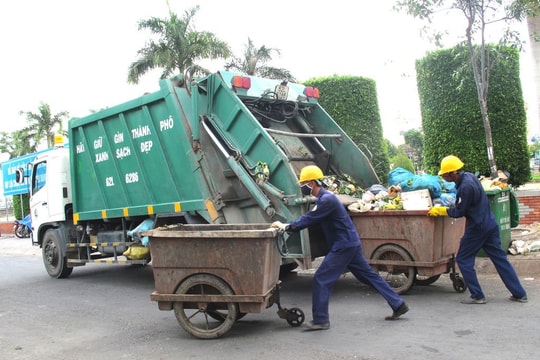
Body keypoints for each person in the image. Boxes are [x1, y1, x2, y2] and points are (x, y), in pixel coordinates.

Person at [271, 165, 409, 331]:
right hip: (350, 243)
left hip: (343, 245)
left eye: (304, 184)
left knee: (321, 278)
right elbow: (313, 217)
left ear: (312, 184)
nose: (302, 188)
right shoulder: (325, 198)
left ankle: (321, 320)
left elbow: (310, 219)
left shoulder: (326, 200)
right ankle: (398, 304)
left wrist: (287, 226)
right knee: (369, 276)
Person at [428, 155, 527, 304]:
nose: (443, 177)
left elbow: (459, 211)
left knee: (463, 258)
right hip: (490, 224)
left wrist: (442, 210)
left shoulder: (466, 187)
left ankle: (477, 295)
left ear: (453, 173)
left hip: (477, 228)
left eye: (444, 174)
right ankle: (519, 293)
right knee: (500, 259)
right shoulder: (469, 177)